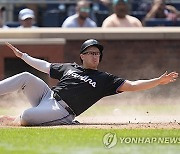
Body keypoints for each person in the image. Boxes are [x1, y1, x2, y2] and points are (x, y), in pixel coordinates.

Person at [1, 39, 178, 126]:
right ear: (82, 56)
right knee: (25, 76)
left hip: (62, 110)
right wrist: (23, 56)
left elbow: (132, 85)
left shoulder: (105, 79)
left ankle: (14, 120)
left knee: (27, 117)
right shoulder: (70, 67)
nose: (95, 56)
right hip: (48, 96)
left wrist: (157, 81)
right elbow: (45, 66)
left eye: (97, 54)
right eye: (91, 53)